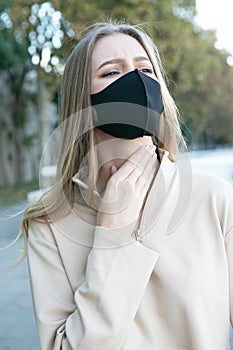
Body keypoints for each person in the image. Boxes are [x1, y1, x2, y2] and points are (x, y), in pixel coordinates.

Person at [21, 21, 233, 350]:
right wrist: (113, 233)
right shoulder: (49, 224)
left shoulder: (215, 200)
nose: (136, 80)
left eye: (145, 68)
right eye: (111, 72)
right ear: (83, 101)